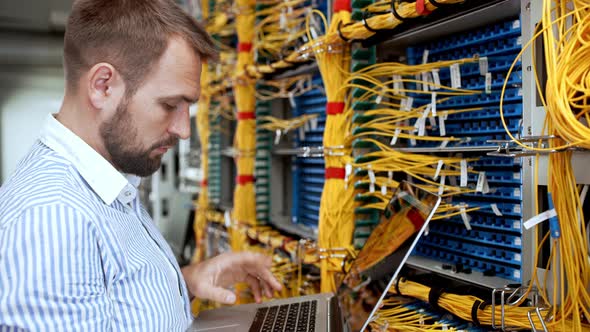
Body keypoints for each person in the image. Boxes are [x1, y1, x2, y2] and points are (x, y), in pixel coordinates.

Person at [0, 0, 281, 330]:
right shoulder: (53, 217)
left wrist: (185, 282)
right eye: (170, 105)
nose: (184, 129)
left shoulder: (104, 183)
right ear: (103, 85)